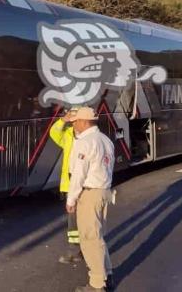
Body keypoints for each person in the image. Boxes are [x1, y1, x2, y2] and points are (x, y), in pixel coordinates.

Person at [66, 106, 115, 292]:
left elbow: (79, 174)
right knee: (98, 237)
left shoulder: (85, 142)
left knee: (89, 239)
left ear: (84, 121)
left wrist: (71, 200)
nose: (74, 125)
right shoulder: (105, 140)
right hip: (104, 191)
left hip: (90, 193)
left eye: (75, 121)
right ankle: (107, 274)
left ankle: (96, 284)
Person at [49, 108, 81, 264]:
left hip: (83, 184)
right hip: (70, 184)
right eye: (72, 118)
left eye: (75, 118)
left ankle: (78, 251)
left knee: (79, 221)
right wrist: (63, 120)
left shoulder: (88, 137)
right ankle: (76, 249)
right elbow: (53, 132)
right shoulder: (68, 134)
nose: (73, 121)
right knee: (74, 220)